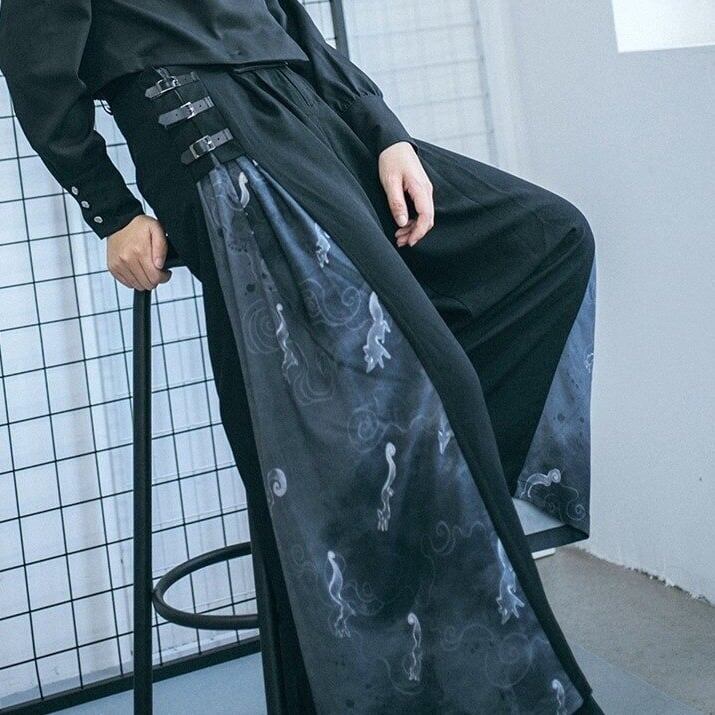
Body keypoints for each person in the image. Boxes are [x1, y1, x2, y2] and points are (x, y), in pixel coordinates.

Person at [0, 1, 601, 713]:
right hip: (211, 131)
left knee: (548, 239)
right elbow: (37, 70)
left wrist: (385, 132)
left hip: (312, 111)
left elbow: (292, 22)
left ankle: (424, 505)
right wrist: (113, 210)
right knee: (440, 387)